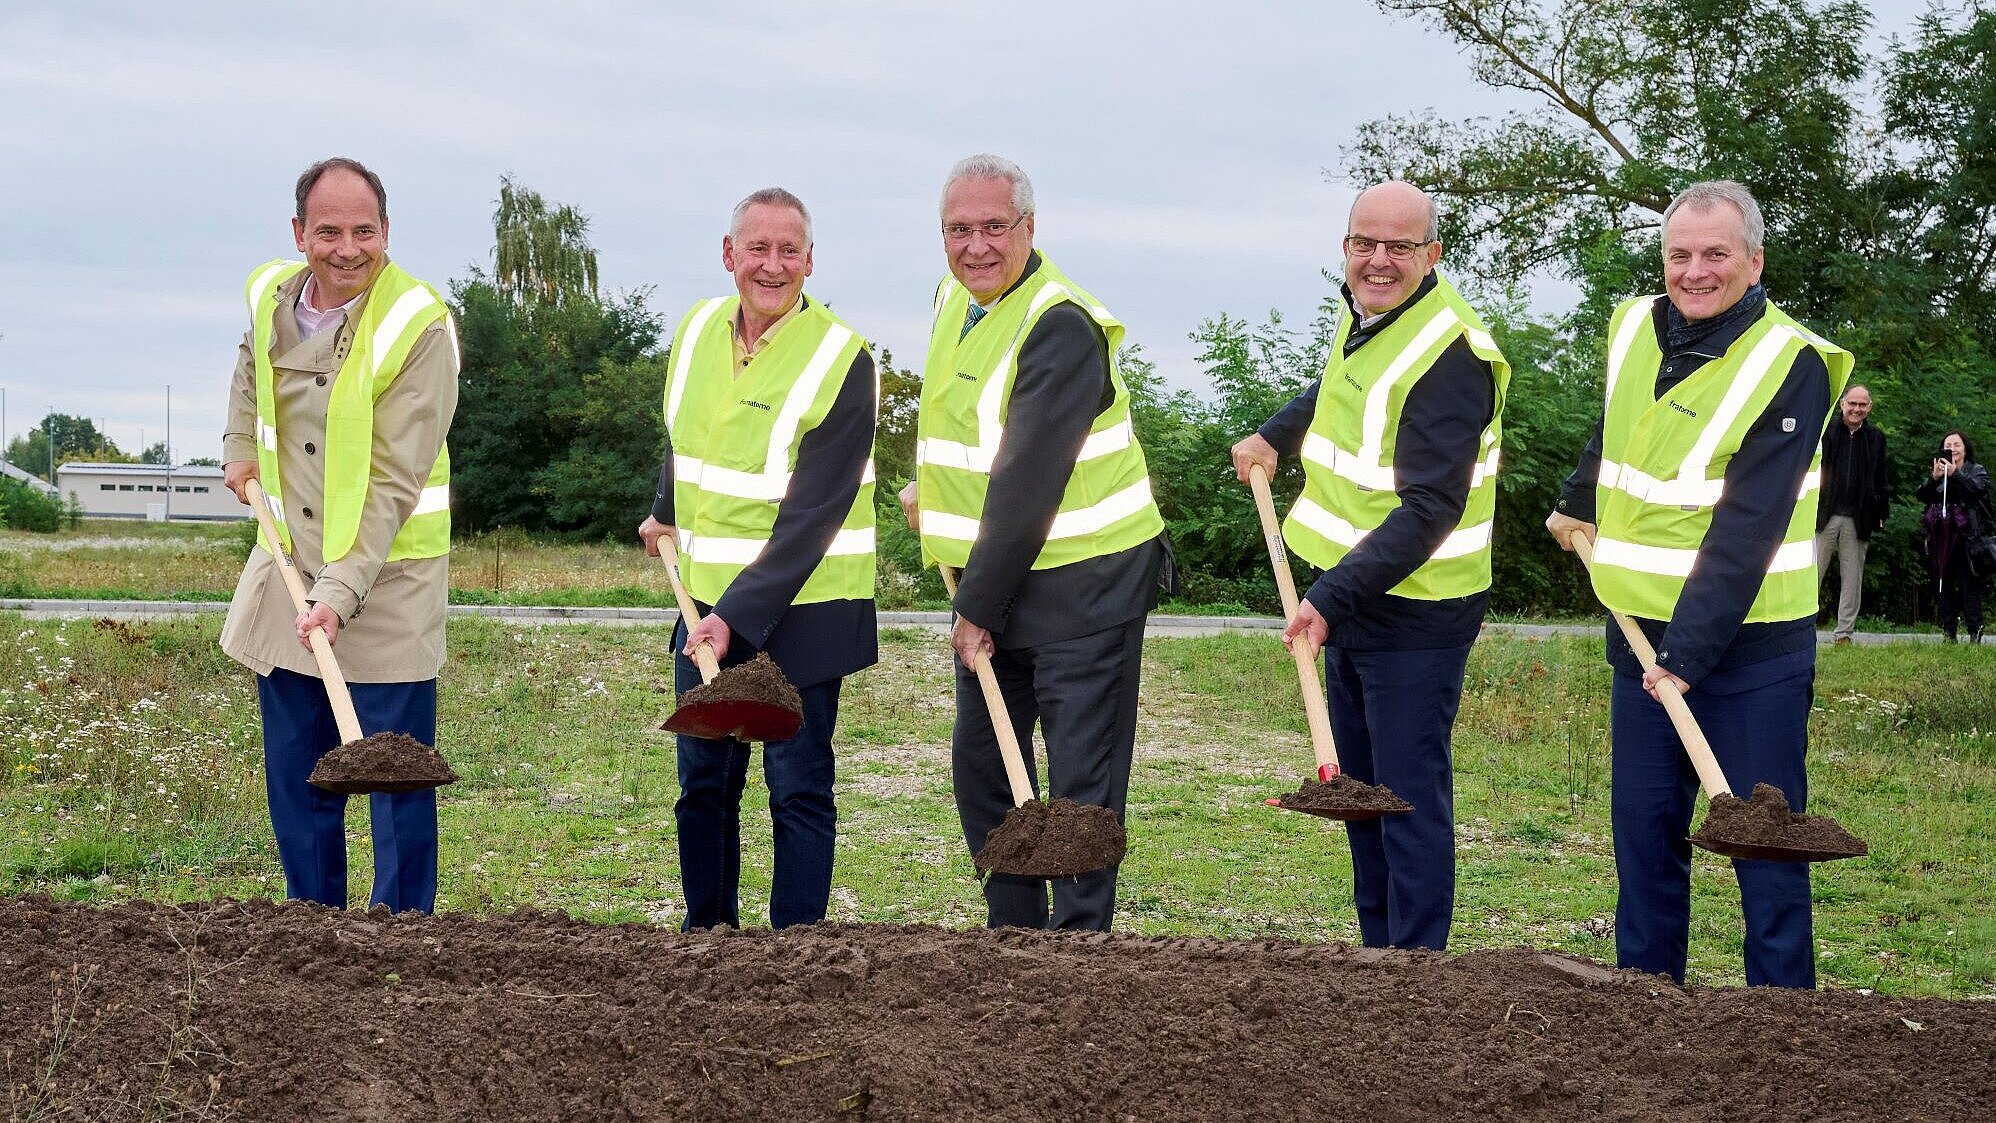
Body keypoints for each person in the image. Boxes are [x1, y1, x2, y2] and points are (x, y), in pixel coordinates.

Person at [1546, 180, 1849, 988]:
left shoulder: (1793, 363)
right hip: (1637, 635)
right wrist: (1577, 503)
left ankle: (1780, 1027)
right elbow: (1617, 427)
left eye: (1716, 254)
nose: (1695, 271)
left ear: (1754, 261)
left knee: (1766, 854)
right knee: (1645, 843)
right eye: (1680, 254)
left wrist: (1684, 655)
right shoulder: (1633, 327)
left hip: (1750, 655)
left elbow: (1747, 528)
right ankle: (1646, 1012)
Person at [1230, 181, 1507, 952]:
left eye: (1399, 246)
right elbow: (1338, 392)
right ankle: (1376, 959)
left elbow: (1430, 509)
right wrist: (1274, 436)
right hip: (1350, 601)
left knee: (1403, 799)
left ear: (1433, 254)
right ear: (1345, 248)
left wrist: (1328, 597)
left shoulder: (1451, 355)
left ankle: (1415, 972)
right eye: (1364, 243)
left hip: (1416, 608)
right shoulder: (1369, 319)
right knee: (1359, 795)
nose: (1378, 260)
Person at [899, 154, 1167, 931]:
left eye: (994, 227)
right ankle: (1012, 946)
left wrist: (976, 608)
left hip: (1086, 585)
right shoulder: (957, 299)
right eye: (959, 228)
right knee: (984, 772)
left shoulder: (1061, 324)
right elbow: (968, 427)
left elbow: (1030, 478)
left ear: (1029, 228)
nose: (975, 245)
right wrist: (932, 490)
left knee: (1080, 791)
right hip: (997, 579)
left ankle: (1078, 956)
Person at [219, 157, 457, 913]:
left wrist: (342, 590)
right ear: (300, 233)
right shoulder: (268, 296)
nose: (347, 248)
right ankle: (312, 933)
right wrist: (237, 448)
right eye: (329, 232)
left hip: (386, 582)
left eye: (364, 231)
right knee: (299, 776)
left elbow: (395, 479)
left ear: (387, 231)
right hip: (290, 568)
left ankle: (402, 937)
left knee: (395, 781)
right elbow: (248, 372)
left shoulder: (420, 323)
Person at [637, 188, 878, 930]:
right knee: (702, 783)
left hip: (806, 610)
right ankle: (708, 935)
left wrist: (732, 619)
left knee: (797, 786)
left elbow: (813, 516)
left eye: (788, 251)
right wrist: (665, 507)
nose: (771, 266)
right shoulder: (699, 329)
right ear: (728, 254)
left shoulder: (844, 358)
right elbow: (688, 436)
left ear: (811, 261)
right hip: (704, 602)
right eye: (757, 249)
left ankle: (794, 952)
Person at [1815, 385, 1889, 644]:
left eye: (1862, 405)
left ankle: (1844, 633)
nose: (1857, 409)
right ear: (1842, 404)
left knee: (1853, 578)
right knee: (1812, 574)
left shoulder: (1876, 438)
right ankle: (1799, 630)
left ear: (1869, 407)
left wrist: (1881, 511)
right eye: (1852, 403)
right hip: (1824, 514)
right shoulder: (1825, 431)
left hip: (1859, 517)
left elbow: (1881, 478)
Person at [1915, 430, 1989, 644]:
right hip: (1941, 537)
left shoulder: (1975, 470)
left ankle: (1975, 631)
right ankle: (1949, 632)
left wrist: (1956, 474)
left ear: (1965, 448)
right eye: (1948, 445)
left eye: (1957, 444)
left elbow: (1978, 490)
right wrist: (1934, 478)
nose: (1953, 449)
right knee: (1943, 585)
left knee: (1969, 586)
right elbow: (1921, 496)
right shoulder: (1938, 471)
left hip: (1967, 538)